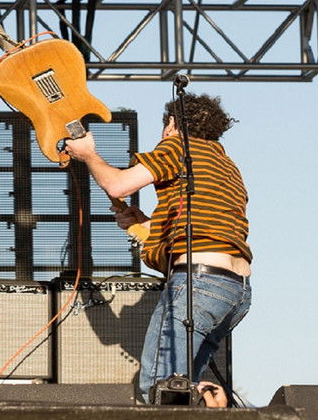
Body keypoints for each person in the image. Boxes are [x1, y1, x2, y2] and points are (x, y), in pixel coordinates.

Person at [63, 92, 252, 406]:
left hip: (200, 284)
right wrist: (142, 224)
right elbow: (200, 237)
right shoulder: (226, 166)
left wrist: (89, 155)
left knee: (160, 389)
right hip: (236, 291)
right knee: (183, 392)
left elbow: (117, 185)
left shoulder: (179, 147)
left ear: (172, 124)